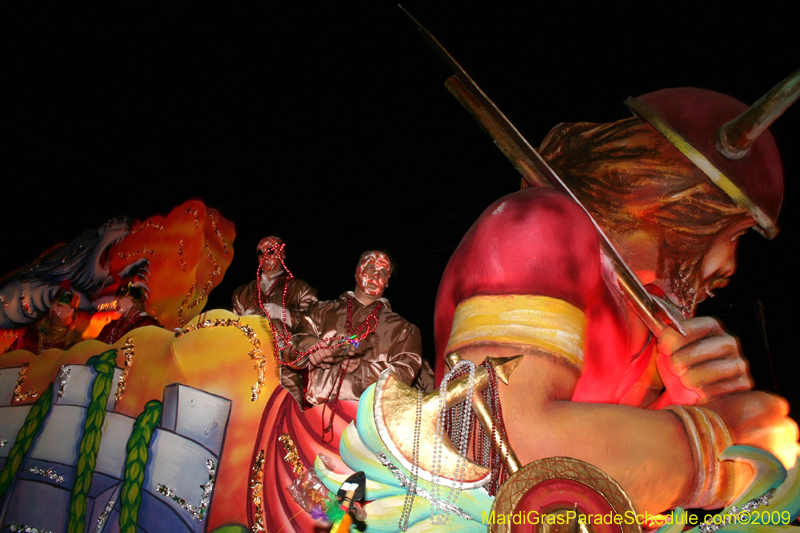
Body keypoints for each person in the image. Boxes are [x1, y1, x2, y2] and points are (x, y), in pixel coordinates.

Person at [434, 80, 799, 513]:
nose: (730, 265)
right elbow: (492, 442)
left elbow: (615, 472)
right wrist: (715, 446)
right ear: (684, 205)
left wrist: (681, 403)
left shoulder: (642, 315)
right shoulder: (535, 225)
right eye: (734, 235)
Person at [281, 250, 433, 411]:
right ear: (357, 272)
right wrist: (307, 343)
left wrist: (363, 369)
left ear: (387, 282)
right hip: (318, 412)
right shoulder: (320, 311)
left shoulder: (403, 329)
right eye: (370, 268)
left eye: (382, 272)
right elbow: (288, 353)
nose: (375, 275)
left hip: (369, 419)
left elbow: (403, 377)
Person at [231, 236, 317, 331]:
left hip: (288, 340)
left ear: (282, 255)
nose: (264, 256)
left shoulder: (300, 288)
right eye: (260, 252)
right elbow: (231, 328)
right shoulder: (242, 292)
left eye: (270, 251)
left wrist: (283, 314)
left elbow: (315, 322)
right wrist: (244, 320)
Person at [13, 285, 83, 354]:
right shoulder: (30, 335)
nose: (53, 307)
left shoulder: (77, 345)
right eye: (52, 304)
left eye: (60, 305)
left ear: (72, 312)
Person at [95, 282, 161, 344]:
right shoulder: (111, 326)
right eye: (116, 298)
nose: (116, 301)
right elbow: (96, 347)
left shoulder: (148, 324)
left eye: (121, 298)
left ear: (135, 302)